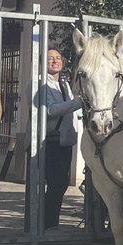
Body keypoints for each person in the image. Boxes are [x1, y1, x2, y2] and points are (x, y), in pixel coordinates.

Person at [38, 48, 80, 229]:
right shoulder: (38, 83)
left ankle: (47, 224)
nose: (55, 61)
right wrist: (77, 102)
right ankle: (46, 225)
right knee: (57, 183)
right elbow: (49, 110)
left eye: (58, 58)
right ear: (41, 63)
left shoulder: (64, 84)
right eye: (50, 59)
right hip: (47, 140)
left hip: (64, 141)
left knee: (60, 184)